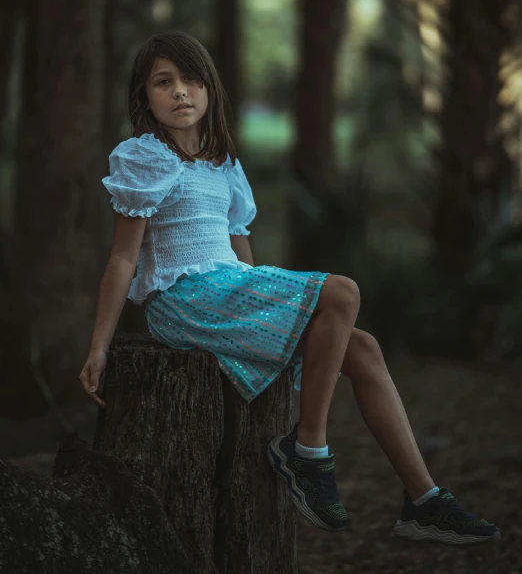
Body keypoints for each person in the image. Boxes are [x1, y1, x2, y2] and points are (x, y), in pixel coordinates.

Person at [79, 31, 499, 546]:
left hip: (228, 287)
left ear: (210, 91)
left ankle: (424, 500)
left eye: (191, 80)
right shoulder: (145, 157)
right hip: (183, 300)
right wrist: (99, 346)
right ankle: (308, 451)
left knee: (361, 346)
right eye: (164, 83)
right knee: (342, 292)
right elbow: (123, 257)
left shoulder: (224, 166)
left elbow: (242, 257)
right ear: (144, 97)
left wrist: (269, 303)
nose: (181, 92)